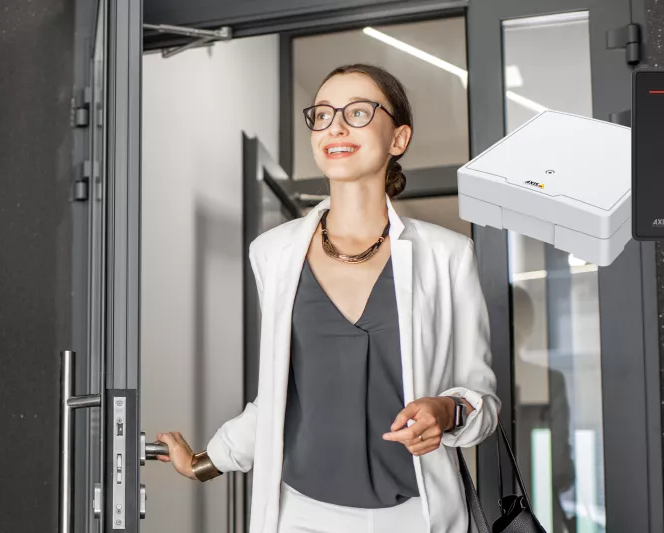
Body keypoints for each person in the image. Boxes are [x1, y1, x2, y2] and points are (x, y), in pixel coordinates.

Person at [156, 63, 500, 533]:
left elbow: (482, 402)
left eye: (358, 112)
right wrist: (202, 462)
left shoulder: (448, 256)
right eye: (322, 114)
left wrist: (449, 410)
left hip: (414, 516)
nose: (335, 126)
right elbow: (280, 397)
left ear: (398, 139)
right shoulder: (273, 253)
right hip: (300, 516)